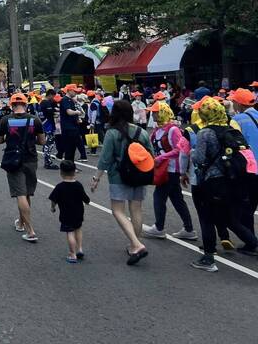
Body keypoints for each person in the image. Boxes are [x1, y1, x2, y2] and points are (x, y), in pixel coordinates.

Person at [190, 98, 258, 271]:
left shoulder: (205, 133)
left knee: (207, 218)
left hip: (213, 181)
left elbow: (199, 158)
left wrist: (191, 152)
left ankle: (208, 258)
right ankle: (253, 243)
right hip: (234, 179)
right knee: (230, 218)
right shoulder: (231, 129)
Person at [90, 99, 151, 266]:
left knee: (117, 210)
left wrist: (96, 178)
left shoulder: (112, 133)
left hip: (118, 176)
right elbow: (151, 154)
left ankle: (137, 245)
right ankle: (134, 243)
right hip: (139, 175)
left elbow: (105, 159)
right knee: (136, 209)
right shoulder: (141, 132)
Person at [142, 102, 197, 240]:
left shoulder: (173, 130)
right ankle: (189, 229)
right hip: (165, 168)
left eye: (154, 112)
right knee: (177, 199)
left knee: (159, 197)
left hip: (171, 168)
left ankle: (159, 228)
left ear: (161, 113)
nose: (152, 114)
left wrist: (161, 157)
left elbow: (180, 149)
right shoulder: (158, 129)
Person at [0, 93, 45, 243]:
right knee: (27, 193)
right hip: (30, 159)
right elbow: (42, 141)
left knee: (20, 194)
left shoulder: (5, 120)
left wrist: (8, 138)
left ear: (11, 105)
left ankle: (30, 231)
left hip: (13, 160)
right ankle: (21, 222)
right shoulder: (35, 120)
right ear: (26, 104)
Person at [229, 88, 258, 235]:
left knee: (246, 208)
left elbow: (234, 146)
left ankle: (251, 242)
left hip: (249, 169)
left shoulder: (237, 120)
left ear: (238, 103)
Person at [49, 160, 90, 263]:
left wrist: (53, 207)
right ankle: (79, 249)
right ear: (74, 172)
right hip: (78, 213)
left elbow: (54, 200)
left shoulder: (59, 187)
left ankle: (72, 254)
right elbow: (86, 198)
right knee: (78, 229)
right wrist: (86, 201)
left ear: (61, 173)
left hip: (66, 214)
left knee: (70, 232)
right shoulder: (78, 185)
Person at [59, 86, 86, 161]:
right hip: (68, 128)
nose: (76, 93)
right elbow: (69, 112)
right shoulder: (65, 100)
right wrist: (77, 112)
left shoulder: (70, 100)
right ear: (69, 90)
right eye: (74, 91)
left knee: (72, 148)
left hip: (72, 126)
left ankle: (71, 165)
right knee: (69, 148)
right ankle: (69, 166)